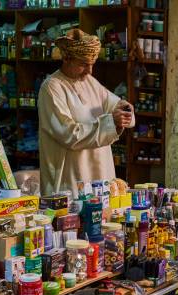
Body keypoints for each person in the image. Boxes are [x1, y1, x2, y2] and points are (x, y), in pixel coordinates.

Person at [38, 29, 134, 196]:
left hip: (101, 180)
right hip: (70, 184)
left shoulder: (90, 82)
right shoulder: (52, 88)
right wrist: (112, 122)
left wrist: (125, 109)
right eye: (83, 64)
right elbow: (69, 135)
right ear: (67, 58)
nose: (90, 71)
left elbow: (116, 105)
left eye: (92, 64)